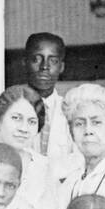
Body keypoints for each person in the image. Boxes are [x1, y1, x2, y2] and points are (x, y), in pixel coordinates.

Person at [24, 32, 74, 162]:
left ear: (61, 67)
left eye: (53, 61)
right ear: (25, 62)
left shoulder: (72, 111)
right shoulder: (10, 107)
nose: (44, 67)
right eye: (36, 59)